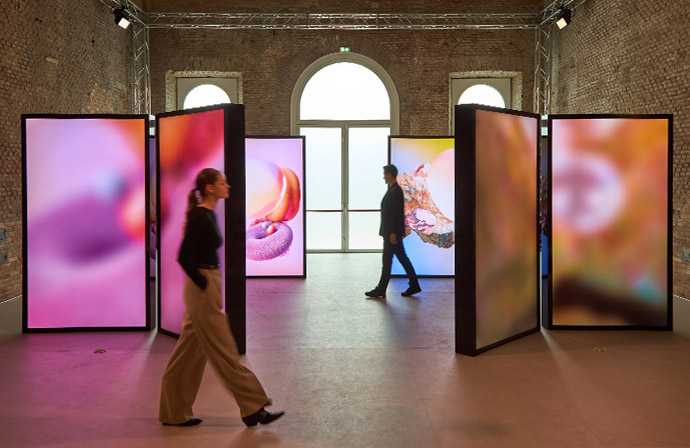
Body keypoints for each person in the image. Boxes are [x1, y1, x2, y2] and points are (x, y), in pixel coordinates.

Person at [159, 168, 284, 428]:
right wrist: (204, 282)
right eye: (222, 182)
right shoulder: (199, 217)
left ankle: (174, 412)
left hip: (207, 287)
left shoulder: (209, 214)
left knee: (186, 355)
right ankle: (254, 407)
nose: (227, 185)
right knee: (225, 351)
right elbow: (184, 256)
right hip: (203, 289)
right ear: (210, 188)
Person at [365, 164, 421, 299]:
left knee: (392, 260)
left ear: (389, 174)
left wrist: (394, 233)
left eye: (384, 174)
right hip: (390, 233)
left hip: (392, 234)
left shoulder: (395, 191)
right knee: (397, 259)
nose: (383, 176)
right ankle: (411, 285)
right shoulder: (392, 189)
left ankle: (383, 289)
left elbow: (396, 214)